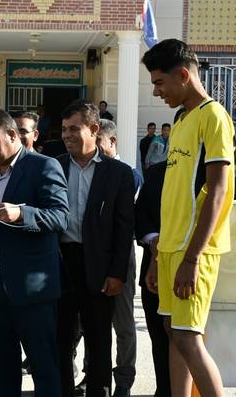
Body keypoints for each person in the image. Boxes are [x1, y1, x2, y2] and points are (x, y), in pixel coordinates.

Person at [142, 38, 235, 397]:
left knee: (188, 336)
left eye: (159, 82)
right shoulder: (181, 118)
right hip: (170, 249)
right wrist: (157, 255)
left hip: (194, 251)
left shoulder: (214, 116)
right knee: (173, 332)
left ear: (183, 75)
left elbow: (218, 190)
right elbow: (175, 195)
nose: (157, 91)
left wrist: (192, 258)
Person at [0, 109, 69, 397]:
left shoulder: (43, 166)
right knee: (1, 370)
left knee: (44, 368)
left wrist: (21, 214)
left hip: (32, 291)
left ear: (13, 135)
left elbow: (60, 217)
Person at [55, 103, 134, 397]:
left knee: (99, 340)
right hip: (61, 265)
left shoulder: (119, 173)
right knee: (61, 340)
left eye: (74, 128)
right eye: (64, 129)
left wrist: (117, 273)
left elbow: (124, 230)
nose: (67, 135)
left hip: (100, 267)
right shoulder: (53, 166)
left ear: (94, 129)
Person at [95, 118, 141, 397]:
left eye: (98, 141)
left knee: (123, 322)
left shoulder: (130, 175)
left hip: (122, 255)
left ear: (112, 142)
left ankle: (124, 379)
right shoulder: (91, 170)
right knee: (90, 322)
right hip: (94, 254)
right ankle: (90, 374)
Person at [135, 160, 172, 397]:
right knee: (159, 339)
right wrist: (154, 241)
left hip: (197, 271)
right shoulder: (157, 171)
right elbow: (141, 214)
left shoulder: (214, 170)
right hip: (153, 271)